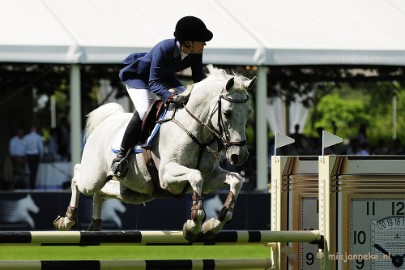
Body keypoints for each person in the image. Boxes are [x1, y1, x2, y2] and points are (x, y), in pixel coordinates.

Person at [111, 15, 213, 177]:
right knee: (144, 110)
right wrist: (170, 97)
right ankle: (121, 155)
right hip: (138, 77)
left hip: (163, 77)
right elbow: (153, 82)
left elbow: (198, 79)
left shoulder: (195, 52)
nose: (204, 44)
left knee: (187, 99)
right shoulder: (164, 48)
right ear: (188, 42)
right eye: (201, 41)